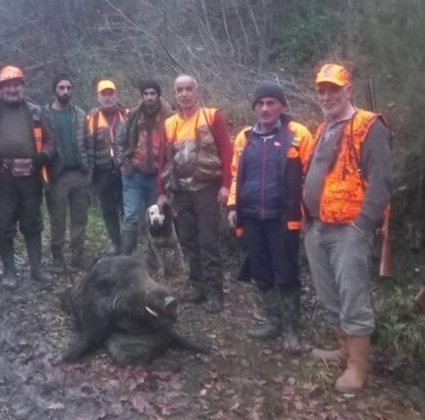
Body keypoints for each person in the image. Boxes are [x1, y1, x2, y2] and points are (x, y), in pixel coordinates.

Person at [303, 63, 392, 393]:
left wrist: (361, 227)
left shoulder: (368, 125)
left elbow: (382, 181)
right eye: (322, 90)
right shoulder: (323, 127)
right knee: (329, 295)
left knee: (353, 297)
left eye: (333, 89)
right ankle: (343, 348)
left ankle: (358, 367)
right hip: (318, 227)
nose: (327, 95)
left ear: (348, 89)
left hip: (348, 230)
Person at [227, 82, 313, 352]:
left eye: (271, 103)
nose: (265, 109)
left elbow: (311, 175)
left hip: (283, 216)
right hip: (251, 215)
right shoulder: (243, 138)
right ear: (254, 107)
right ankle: (274, 320)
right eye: (260, 104)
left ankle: (291, 331)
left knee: (286, 272)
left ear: (281, 105)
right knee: (261, 270)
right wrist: (232, 206)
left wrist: (309, 211)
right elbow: (234, 174)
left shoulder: (298, 134)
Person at [0, 65, 56, 288]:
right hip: (1, 177)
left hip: (31, 176)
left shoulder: (35, 111)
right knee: (3, 224)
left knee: (33, 222)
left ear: (22, 86)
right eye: (7, 85)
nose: (12, 89)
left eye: (16, 84)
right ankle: (9, 271)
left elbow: (50, 141)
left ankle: (37, 268)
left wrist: (40, 160)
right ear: (0, 87)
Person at [156, 74, 232, 314]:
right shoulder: (169, 123)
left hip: (206, 189)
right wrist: (161, 192)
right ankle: (197, 287)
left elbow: (227, 152)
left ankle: (214, 293)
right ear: (174, 93)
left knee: (208, 241)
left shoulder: (211, 116)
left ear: (196, 91)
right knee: (188, 240)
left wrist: (226, 185)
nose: (184, 94)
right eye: (179, 90)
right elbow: (162, 161)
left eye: (189, 89)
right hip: (180, 190)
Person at [115, 80, 171, 273]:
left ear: (158, 95)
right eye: (146, 93)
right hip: (134, 176)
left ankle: (156, 264)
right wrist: (124, 162)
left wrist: (169, 171)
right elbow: (119, 142)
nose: (149, 97)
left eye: (153, 93)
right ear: (142, 96)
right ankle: (126, 263)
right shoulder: (131, 117)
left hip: (158, 177)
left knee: (157, 219)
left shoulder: (169, 117)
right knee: (130, 217)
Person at [44, 73, 92, 271]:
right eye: (61, 87)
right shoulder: (43, 114)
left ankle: (78, 258)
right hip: (57, 175)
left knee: (80, 219)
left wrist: (89, 168)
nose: (65, 91)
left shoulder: (80, 114)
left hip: (80, 174)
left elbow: (88, 141)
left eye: (69, 88)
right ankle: (57, 259)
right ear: (55, 89)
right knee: (58, 220)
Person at [87, 80, 129, 255]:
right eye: (104, 94)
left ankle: (129, 244)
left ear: (116, 95)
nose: (108, 97)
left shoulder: (128, 115)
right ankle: (116, 243)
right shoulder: (91, 119)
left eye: (111, 93)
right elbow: (86, 145)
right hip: (102, 171)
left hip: (125, 169)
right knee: (108, 209)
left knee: (127, 209)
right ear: (98, 97)